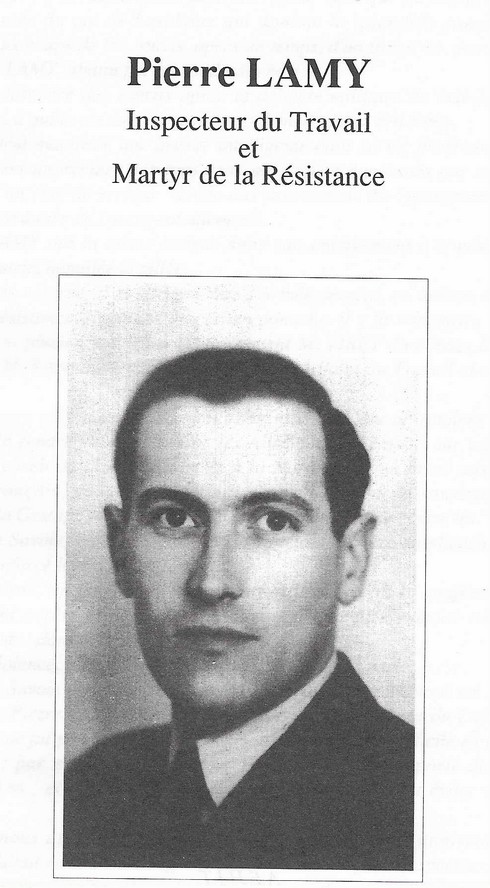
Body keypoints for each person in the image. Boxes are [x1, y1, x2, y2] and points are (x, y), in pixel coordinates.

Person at [63, 347, 414, 870]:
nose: (212, 582)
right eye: (174, 518)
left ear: (350, 559)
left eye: (273, 521)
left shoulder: (425, 807)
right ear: (121, 551)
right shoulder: (87, 791)